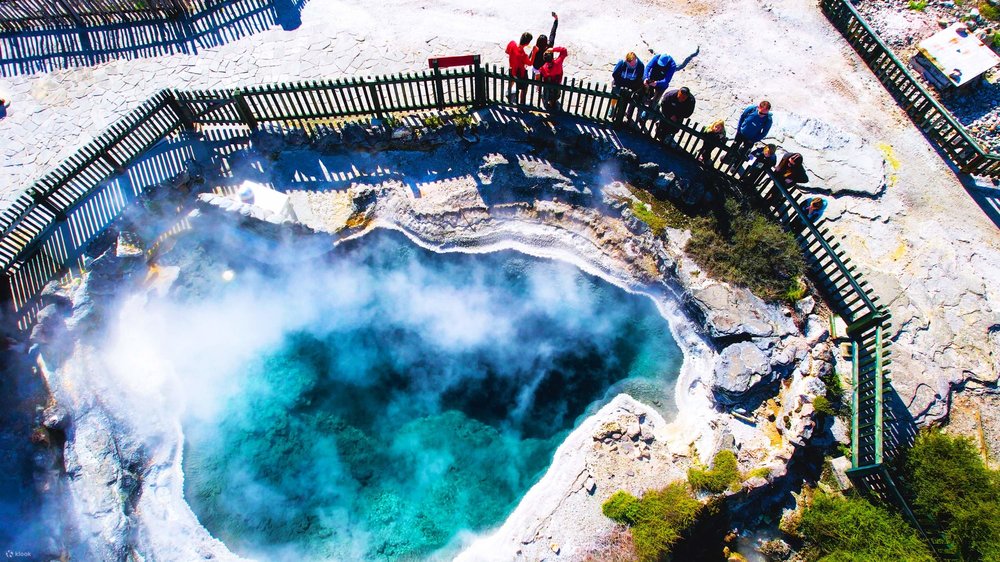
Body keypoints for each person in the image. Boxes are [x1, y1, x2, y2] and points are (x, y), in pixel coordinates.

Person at [505, 32, 533, 104]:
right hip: (520, 74)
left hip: (512, 69)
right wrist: (535, 52)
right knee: (524, 88)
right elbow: (530, 63)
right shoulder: (523, 55)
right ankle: (522, 103)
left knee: (511, 81)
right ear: (527, 44)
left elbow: (507, 51)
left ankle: (508, 92)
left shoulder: (512, 43)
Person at [530, 12, 559, 79]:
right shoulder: (549, 46)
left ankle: (537, 84)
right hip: (545, 69)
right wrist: (556, 20)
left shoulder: (536, 48)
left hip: (536, 68)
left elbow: (531, 56)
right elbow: (553, 33)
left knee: (537, 79)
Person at [539, 46, 568, 110]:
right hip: (557, 83)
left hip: (548, 85)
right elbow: (564, 50)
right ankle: (553, 104)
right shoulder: (558, 63)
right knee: (555, 95)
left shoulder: (543, 68)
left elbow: (541, 76)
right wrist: (552, 49)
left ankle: (547, 103)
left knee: (547, 94)